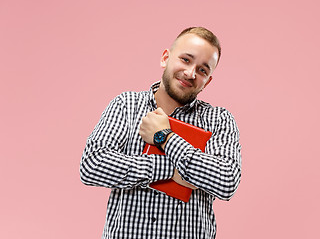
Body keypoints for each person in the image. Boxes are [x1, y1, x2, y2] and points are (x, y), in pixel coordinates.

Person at [80, 27, 242, 239]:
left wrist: (164, 137)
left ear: (208, 81)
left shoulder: (219, 120)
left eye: (203, 70)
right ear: (165, 58)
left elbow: (226, 181)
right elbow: (92, 165)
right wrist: (169, 170)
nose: (191, 73)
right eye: (185, 59)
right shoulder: (126, 105)